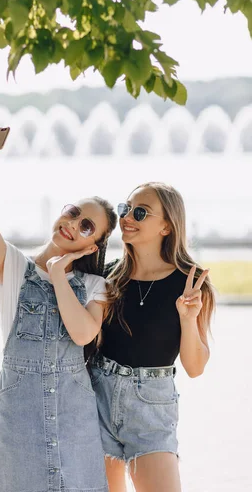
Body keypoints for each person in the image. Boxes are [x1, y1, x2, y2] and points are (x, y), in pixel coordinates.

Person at [0, 124, 118, 492]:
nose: (73, 224)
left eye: (86, 225)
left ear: (96, 245)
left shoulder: (95, 286)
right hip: (19, 425)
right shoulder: (13, 269)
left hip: (76, 427)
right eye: (73, 212)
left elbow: (83, 333)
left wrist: (59, 276)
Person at [87, 182, 216, 492]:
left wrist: (188, 318)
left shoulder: (191, 284)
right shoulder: (107, 275)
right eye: (126, 209)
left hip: (150, 408)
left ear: (166, 226)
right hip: (96, 399)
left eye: (140, 212)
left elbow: (195, 367)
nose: (127, 217)